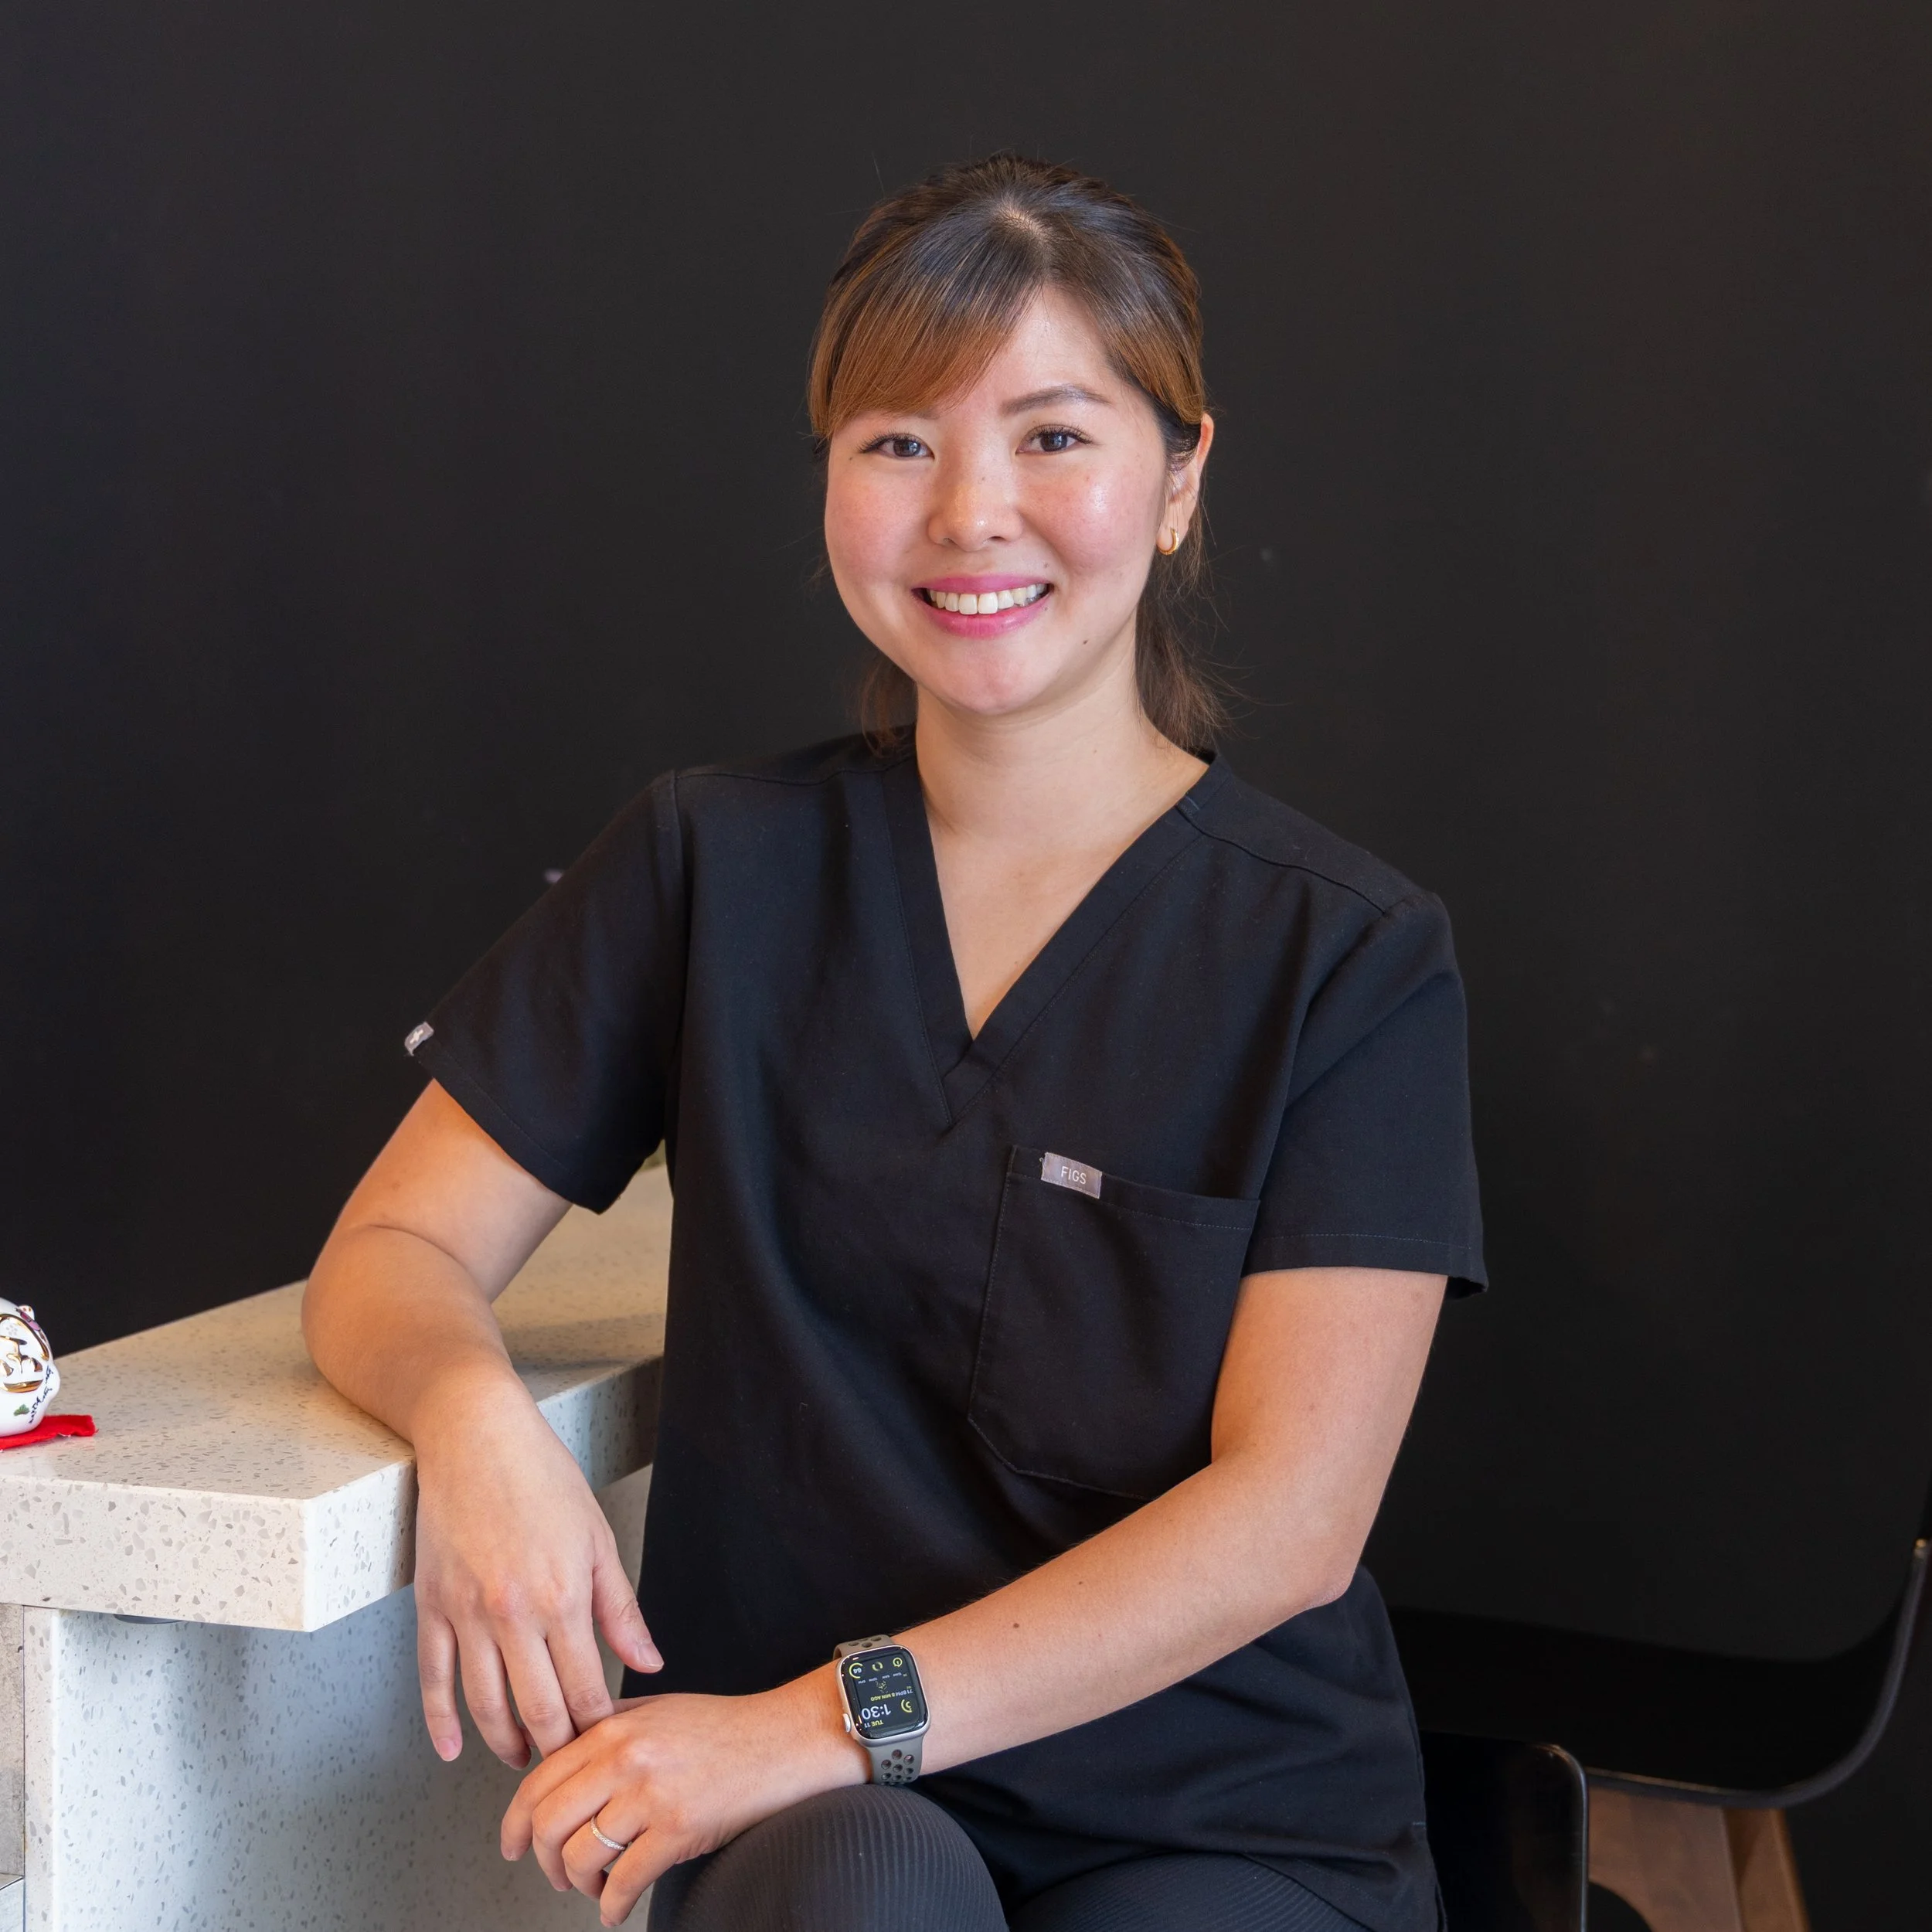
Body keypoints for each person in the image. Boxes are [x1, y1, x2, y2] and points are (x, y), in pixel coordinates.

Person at [302, 153, 1485, 1932]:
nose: (968, 512)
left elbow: (1284, 1521)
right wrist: (473, 1423)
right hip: (805, 1830)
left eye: (1053, 436)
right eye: (896, 442)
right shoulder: (713, 862)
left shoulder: (1347, 954)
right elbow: (390, 1250)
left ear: (1178, 481)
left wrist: (816, 1722)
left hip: (1208, 1806)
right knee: (864, 1891)